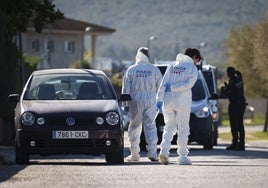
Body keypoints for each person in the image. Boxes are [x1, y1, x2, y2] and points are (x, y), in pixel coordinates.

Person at [156, 51, 198, 165]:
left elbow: (163, 83)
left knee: (169, 127)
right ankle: (182, 156)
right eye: (197, 60)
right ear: (194, 57)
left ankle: (164, 151)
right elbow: (188, 84)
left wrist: (159, 99)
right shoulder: (192, 68)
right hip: (182, 100)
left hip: (168, 100)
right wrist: (174, 87)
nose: (197, 62)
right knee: (183, 128)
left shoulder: (172, 65)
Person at [122, 47, 163, 162]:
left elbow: (126, 88)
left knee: (135, 127)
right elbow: (160, 86)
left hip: (135, 100)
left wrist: (124, 105)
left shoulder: (131, 69)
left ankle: (134, 154)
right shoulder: (154, 69)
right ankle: (153, 153)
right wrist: (160, 101)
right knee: (150, 126)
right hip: (151, 100)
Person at [224, 67, 246, 150]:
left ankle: (239, 144)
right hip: (236, 104)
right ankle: (238, 143)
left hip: (237, 104)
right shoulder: (235, 80)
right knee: (237, 124)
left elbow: (233, 90)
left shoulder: (236, 80)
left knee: (237, 124)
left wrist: (228, 88)